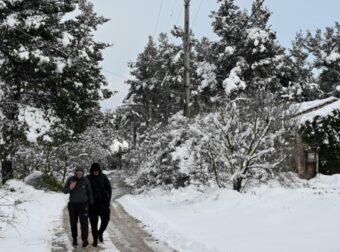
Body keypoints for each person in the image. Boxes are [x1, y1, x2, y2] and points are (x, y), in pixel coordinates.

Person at [63, 166, 93, 247]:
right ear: (75, 173)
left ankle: (84, 240)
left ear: (83, 173)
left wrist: (91, 204)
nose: (79, 174)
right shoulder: (70, 179)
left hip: (83, 205)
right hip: (73, 205)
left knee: (84, 223)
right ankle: (74, 239)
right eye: (78, 172)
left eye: (81, 173)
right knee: (73, 223)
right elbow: (64, 191)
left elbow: (90, 192)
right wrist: (70, 187)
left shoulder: (86, 180)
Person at [87, 163, 112, 247]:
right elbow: (84, 191)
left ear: (99, 170)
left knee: (106, 219)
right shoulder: (88, 178)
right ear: (92, 170)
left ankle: (100, 232)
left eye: (97, 171)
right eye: (94, 171)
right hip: (92, 205)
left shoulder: (104, 177)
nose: (96, 172)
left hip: (103, 204)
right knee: (94, 223)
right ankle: (95, 240)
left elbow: (109, 189)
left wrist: (108, 200)